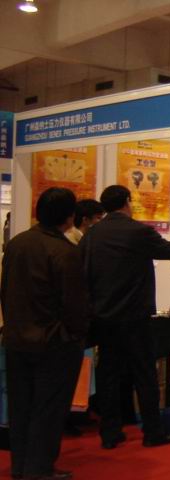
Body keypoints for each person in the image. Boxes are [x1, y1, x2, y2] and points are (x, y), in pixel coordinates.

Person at [80, 185, 170, 450]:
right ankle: (152, 431)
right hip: (136, 316)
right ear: (127, 201)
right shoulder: (138, 231)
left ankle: (110, 432)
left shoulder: (92, 235)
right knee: (144, 374)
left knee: (108, 376)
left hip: (104, 317)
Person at [1, 187, 88, 480]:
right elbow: (74, 304)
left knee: (20, 406)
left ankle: (20, 465)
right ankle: (39, 468)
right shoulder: (64, 252)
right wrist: (76, 334)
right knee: (48, 408)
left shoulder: (17, 244)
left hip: (17, 338)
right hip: (53, 342)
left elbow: (6, 290)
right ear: (70, 216)